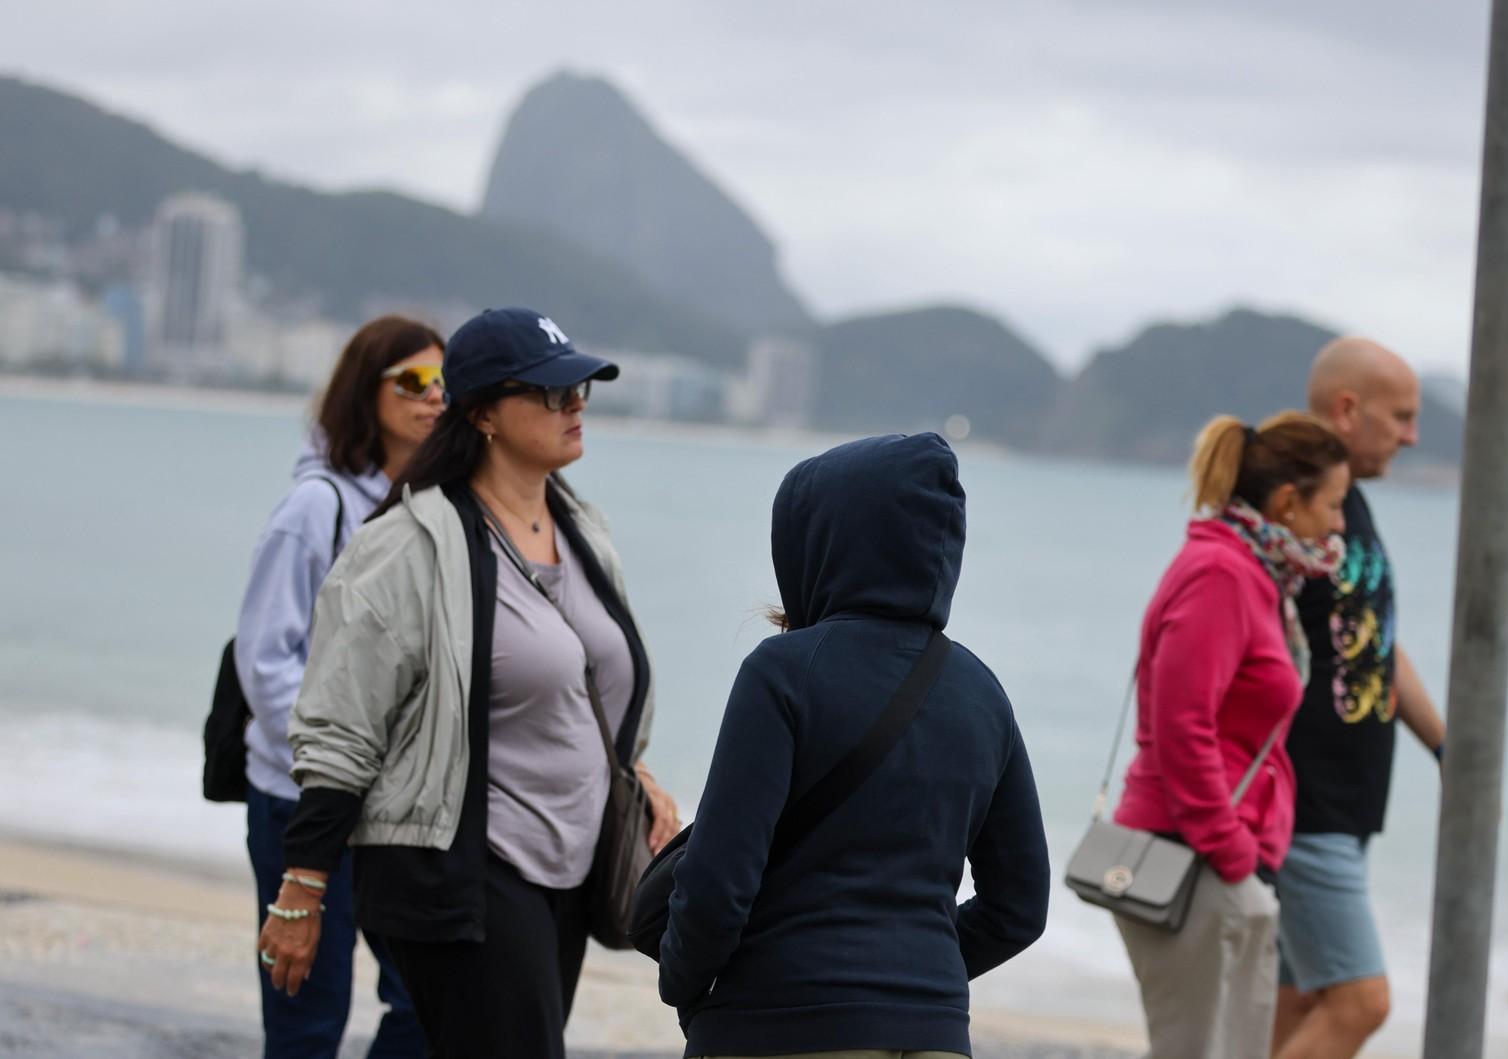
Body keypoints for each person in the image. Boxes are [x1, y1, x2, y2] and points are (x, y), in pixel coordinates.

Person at [254, 307, 681, 1059]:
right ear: (482, 411)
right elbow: (340, 722)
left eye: (581, 387)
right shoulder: (409, 542)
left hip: (570, 863)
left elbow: (590, 682)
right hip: (462, 867)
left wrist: (634, 771)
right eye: (551, 392)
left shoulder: (583, 529)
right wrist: (304, 884)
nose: (575, 403)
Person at [658, 432, 1051, 1059]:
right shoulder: (982, 692)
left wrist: (681, 983)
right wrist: (919, 981)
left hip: (779, 1024)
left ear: (822, 542)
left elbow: (717, 880)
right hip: (936, 1032)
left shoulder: (783, 671)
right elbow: (1021, 906)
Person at [235, 314, 444, 1058]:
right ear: (367, 390)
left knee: (426, 1004)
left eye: (443, 382)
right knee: (306, 1019)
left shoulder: (433, 509)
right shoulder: (313, 508)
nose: (433, 397)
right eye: (412, 381)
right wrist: (335, 765)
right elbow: (265, 659)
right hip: (300, 800)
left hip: (395, 808)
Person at [1113, 411, 1350, 1059]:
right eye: (1332, 504)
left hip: (1212, 852)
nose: (1339, 524)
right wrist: (1231, 850)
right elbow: (1181, 724)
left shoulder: (1255, 574)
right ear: (1285, 501)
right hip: (1190, 855)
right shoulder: (1222, 573)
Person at [1272, 338, 1447, 1059]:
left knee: (1296, 1004)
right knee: (1360, 1000)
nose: (1411, 434)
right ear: (1348, 409)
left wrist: (1447, 746)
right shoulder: (1286, 503)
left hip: (1345, 806)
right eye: (1401, 417)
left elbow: (1375, 640)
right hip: (1305, 804)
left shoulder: (1350, 506)